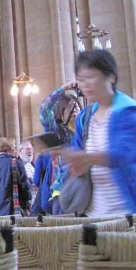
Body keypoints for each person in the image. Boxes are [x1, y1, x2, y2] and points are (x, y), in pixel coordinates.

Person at [61, 50, 136, 217]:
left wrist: (87, 158)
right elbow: (77, 151)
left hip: (133, 211)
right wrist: (74, 162)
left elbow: (125, 154)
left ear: (111, 77)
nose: (85, 84)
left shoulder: (129, 111)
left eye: (91, 77)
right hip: (96, 212)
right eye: (80, 80)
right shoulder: (85, 117)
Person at [33, 83, 83, 215]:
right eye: (69, 107)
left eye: (76, 105)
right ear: (60, 113)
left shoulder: (85, 131)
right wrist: (63, 89)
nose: (75, 109)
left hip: (84, 189)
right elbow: (44, 109)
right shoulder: (58, 131)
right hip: (62, 190)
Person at [0, 137, 30, 216]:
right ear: (10, 149)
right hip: (12, 211)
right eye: (14, 147)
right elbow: (25, 187)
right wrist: (27, 201)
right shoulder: (16, 163)